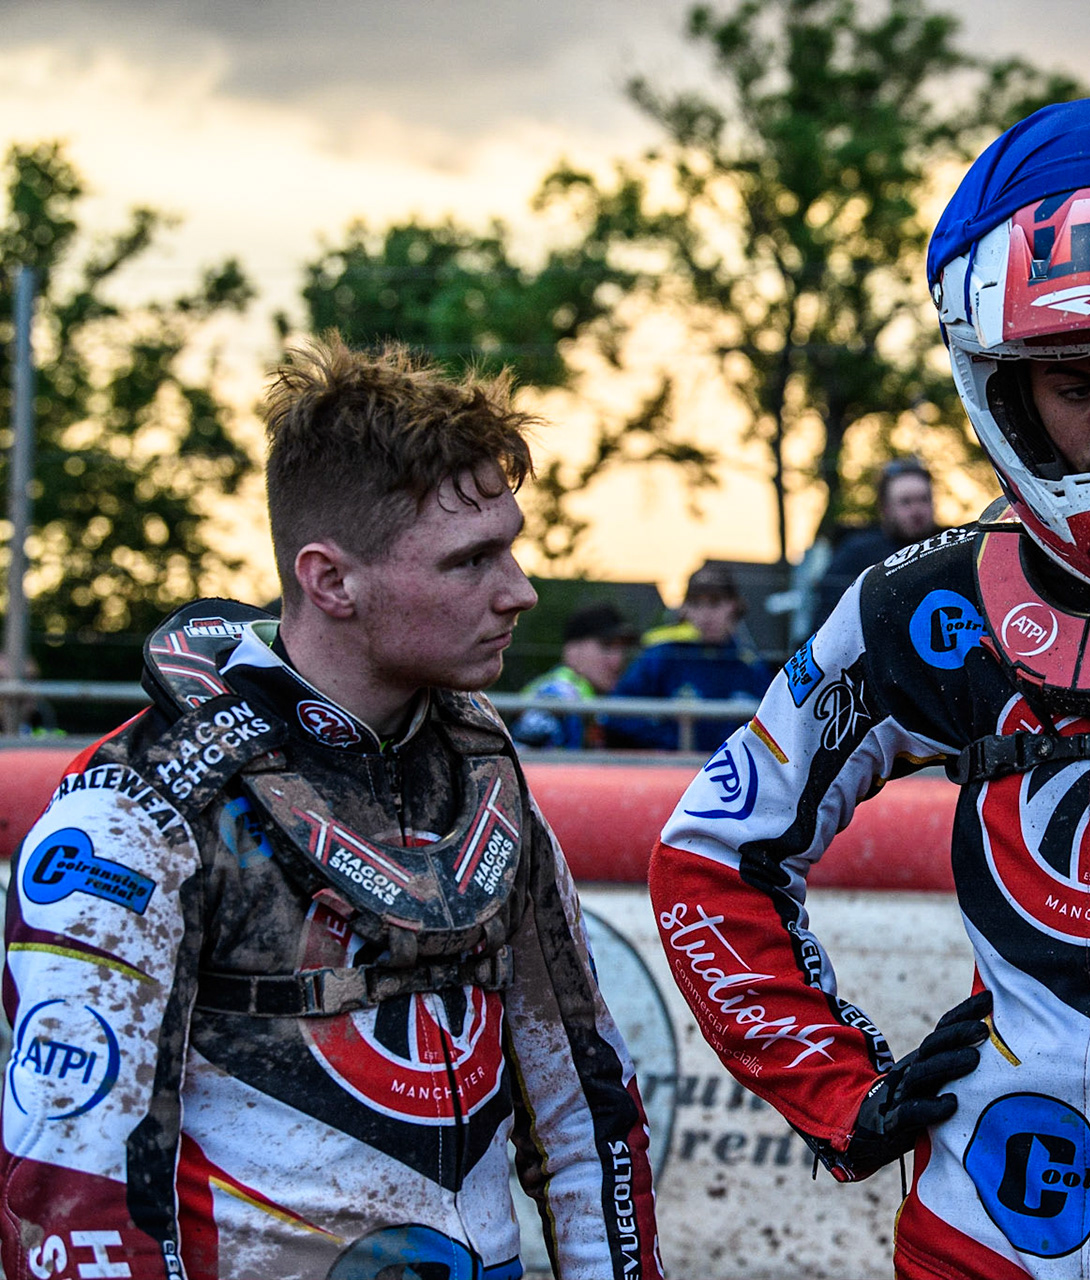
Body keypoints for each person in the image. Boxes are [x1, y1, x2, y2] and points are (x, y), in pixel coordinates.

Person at [649, 97, 1090, 1279]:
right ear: (1007, 392)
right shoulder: (923, 607)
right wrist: (838, 1088)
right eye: (1075, 386)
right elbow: (709, 855)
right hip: (986, 1227)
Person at [1, 340, 664, 1279]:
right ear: (331, 580)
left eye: (511, 547)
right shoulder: (138, 807)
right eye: (471, 560)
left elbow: (586, 1109)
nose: (520, 591)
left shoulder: (482, 773)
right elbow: (69, 1191)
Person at [605, 563, 772, 752]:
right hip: (674, 773)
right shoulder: (664, 657)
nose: (705, 614)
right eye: (696, 604)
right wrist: (668, 743)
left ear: (734, 606)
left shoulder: (750, 667)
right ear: (685, 609)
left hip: (734, 777)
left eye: (715, 603)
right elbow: (616, 713)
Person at [810, 457, 940, 621]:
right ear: (885, 508)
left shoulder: (950, 550)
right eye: (906, 502)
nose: (917, 511)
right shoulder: (857, 553)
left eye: (924, 500)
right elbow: (828, 619)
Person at [512, 599, 637, 749]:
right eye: (606, 647)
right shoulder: (556, 694)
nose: (617, 660)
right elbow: (528, 765)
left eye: (622, 650)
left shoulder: (588, 696)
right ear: (572, 651)